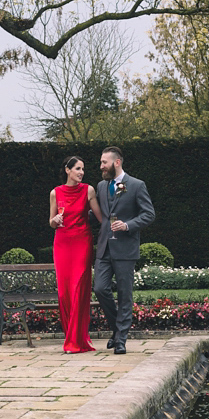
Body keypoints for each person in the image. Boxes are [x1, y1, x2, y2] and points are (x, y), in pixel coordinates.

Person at [94, 146, 155, 354]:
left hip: (125, 249)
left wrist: (127, 225)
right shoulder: (101, 186)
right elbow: (97, 214)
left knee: (125, 295)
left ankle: (121, 340)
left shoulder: (136, 185)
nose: (101, 166)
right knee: (100, 289)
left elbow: (149, 214)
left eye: (104, 162)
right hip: (104, 247)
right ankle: (116, 329)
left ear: (116, 162)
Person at [50, 156, 102, 353]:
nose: (81, 172)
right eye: (78, 169)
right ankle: (72, 337)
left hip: (82, 242)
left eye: (83, 169)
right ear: (67, 170)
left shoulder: (88, 190)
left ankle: (75, 341)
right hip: (62, 243)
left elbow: (99, 217)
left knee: (78, 289)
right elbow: (51, 222)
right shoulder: (55, 193)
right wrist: (55, 220)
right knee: (64, 293)